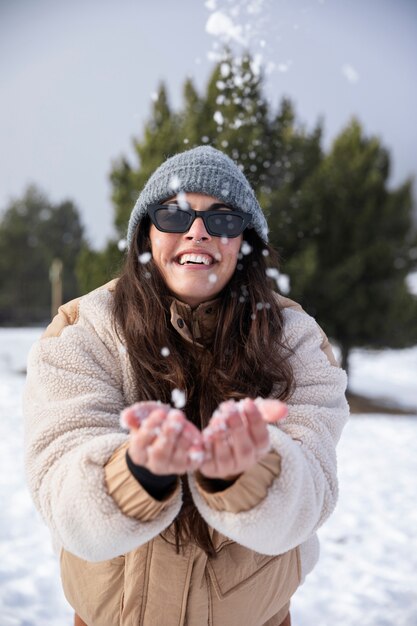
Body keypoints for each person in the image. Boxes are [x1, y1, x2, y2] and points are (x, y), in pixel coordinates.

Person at [24, 146, 349, 626]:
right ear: (145, 233)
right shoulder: (83, 328)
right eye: (175, 214)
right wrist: (138, 471)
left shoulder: (296, 339)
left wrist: (248, 474)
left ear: (246, 243)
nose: (197, 231)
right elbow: (61, 496)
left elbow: (311, 496)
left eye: (223, 220)